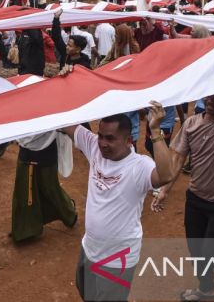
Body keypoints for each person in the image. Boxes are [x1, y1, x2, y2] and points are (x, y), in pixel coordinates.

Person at [60, 94, 173, 302]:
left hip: (117, 259)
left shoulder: (139, 165)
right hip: (90, 248)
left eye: (110, 138)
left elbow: (165, 175)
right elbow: (63, 121)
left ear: (129, 141)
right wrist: (66, 84)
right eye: (101, 135)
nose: (102, 143)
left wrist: (155, 131)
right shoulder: (93, 145)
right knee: (86, 292)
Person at [151, 91, 214, 300]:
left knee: (211, 250)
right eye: (209, 96)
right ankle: (206, 289)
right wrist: (164, 190)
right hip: (195, 199)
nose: (212, 100)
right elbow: (177, 160)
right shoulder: (191, 124)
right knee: (196, 252)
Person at [11, 129, 77, 242]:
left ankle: (69, 212)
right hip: (25, 142)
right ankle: (25, 230)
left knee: (49, 187)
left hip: (46, 145)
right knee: (24, 187)